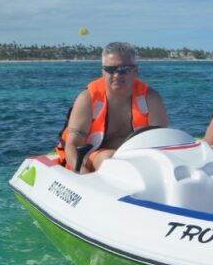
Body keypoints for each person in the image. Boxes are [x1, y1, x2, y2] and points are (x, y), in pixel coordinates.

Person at [54, 41, 169, 173]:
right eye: (110, 70)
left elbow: (161, 141)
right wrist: (83, 177)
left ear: (135, 70)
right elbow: (73, 145)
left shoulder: (151, 98)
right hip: (95, 159)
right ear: (103, 71)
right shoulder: (87, 99)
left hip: (139, 161)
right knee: (110, 159)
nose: (117, 75)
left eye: (124, 70)